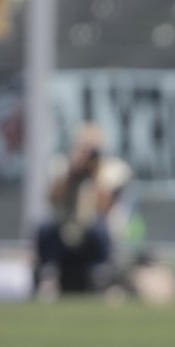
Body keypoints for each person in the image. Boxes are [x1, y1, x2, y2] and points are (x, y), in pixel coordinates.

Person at [33, 123, 132, 296]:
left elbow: (105, 207)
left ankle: (101, 279)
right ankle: (48, 278)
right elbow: (52, 198)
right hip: (66, 228)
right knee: (45, 227)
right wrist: (72, 173)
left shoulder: (113, 168)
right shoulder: (61, 164)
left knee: (98, 229)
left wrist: (94, 175)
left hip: (96, 230)